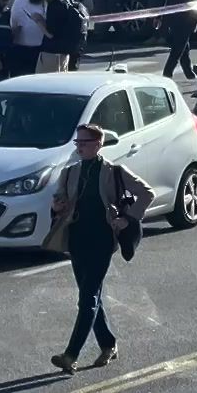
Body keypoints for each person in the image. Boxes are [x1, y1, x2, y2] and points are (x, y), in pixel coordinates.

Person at [45, 124, 155, 374]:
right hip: (77, 238)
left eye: (84, 142)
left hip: (102, 239)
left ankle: (70, 355)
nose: (79, 147)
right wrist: (57, 206)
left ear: (98, 145)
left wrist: (127, 218)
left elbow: (146, 193)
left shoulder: (114, 172)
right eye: (77, 142)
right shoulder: (69, 172)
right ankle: (108, 344)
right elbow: (59, 201)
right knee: (90, 294)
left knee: (87, 298)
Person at [39, 0, 85, 73]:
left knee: (45, 81)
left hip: (52, 54)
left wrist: (39, 21)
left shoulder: (55, 5)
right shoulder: (67, 2)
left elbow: (50, 34)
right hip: (64, 53)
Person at [7, 0, 48, 77]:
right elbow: (13, 25)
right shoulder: (19, 1)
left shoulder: (49, 2)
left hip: (41, 51)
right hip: (20, 50)